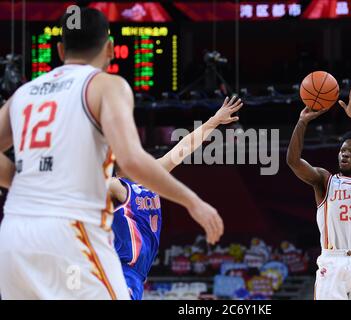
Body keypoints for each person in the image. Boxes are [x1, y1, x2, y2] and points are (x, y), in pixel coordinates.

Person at [0, 8, 222, 300]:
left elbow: (177, 150)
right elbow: (131, 159)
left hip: (15, 234)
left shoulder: (25, 93)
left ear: (59, 49)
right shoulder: (105, 85)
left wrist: (26, 182)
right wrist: (193, 202)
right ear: (109, 48)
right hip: (69, 229)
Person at [110, 96, 243, 300]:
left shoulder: (151, 176)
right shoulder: (114, 186)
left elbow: (185, 147)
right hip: (120, 271)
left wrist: (214, 121)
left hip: (136, 276)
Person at [286, 86, 351, 300]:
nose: (345, 154)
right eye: (342, 151)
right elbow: (293, 161)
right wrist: (302, 122)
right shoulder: (324, 180)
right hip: (332, 260)